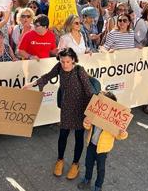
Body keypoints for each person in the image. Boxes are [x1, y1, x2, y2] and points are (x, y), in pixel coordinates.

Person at [23, 48, 93, 181]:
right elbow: (47, 76)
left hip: (81, 109)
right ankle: (60, 160)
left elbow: (89, 92)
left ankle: (75, 164)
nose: (65, 64)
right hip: (66, 107)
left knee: (79, 137)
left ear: (73, 59)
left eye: (68, 61)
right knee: (63, 135)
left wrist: (90, 114)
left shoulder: (80, 71)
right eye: (62, 61)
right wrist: (32, 84)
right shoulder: (59, 67)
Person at [78, 92, 129, 191]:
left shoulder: (113, 121)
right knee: (88, 163)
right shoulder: (95, 114)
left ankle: (98, 186)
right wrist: (86, 122)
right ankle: (87, 179)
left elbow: (120, 136)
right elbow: (88, 126)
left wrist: (122, 133)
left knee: (100, 168)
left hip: (103, 149)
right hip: (91, 144)